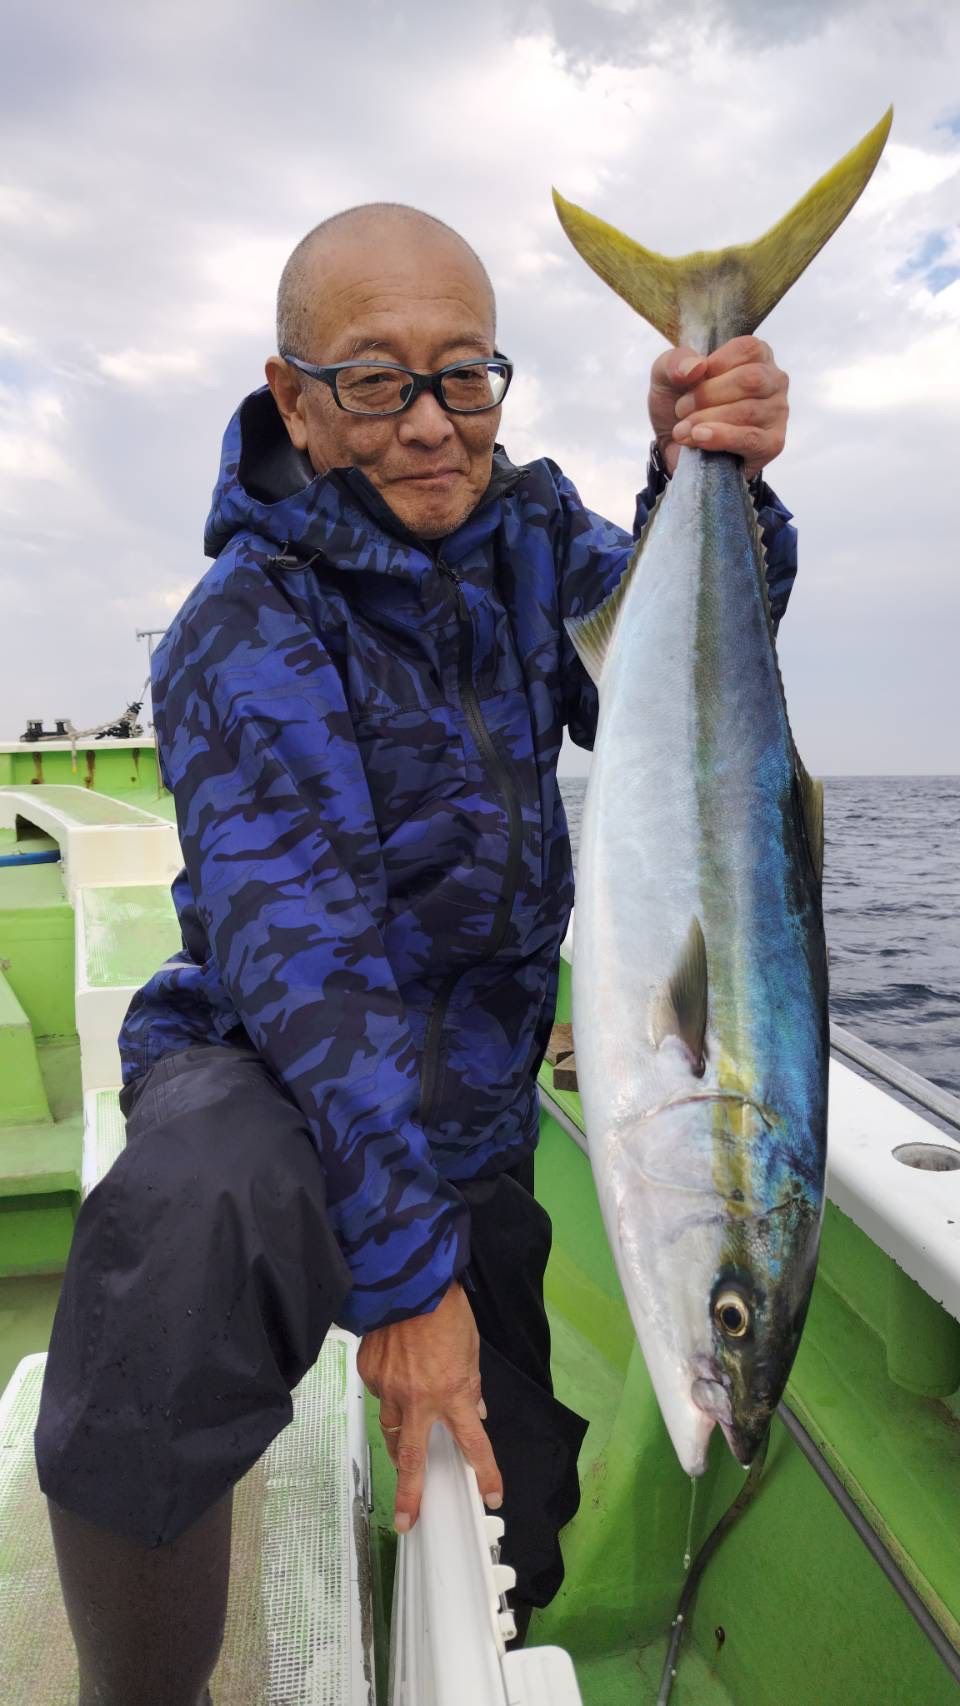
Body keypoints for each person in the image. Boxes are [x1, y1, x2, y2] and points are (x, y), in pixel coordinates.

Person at [34, 203, 794, 1706]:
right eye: (379, 381)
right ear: (296, 397)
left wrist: (711, 471)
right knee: (178, 1246)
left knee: (521, 1520)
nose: (436, 423)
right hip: (270, 1078)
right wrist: (404, 1290)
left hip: (472, 1122)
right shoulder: (241, 622)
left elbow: (687, 675)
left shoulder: (536, 545)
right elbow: (310, 969)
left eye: (466, 374)